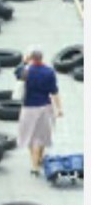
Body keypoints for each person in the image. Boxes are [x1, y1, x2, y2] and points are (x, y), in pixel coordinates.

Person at [16, 47, 63, 175]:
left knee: (31, 137)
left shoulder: (26, 71)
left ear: (31, 58)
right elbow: (54, 92)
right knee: (42, 136)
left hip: (29, 108)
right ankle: (39, 158)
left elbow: (17, 73)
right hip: (45, 107)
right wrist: (59, 108)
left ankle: (35, 166)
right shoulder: (49, 72)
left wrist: (24, 61)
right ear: (42, 58)